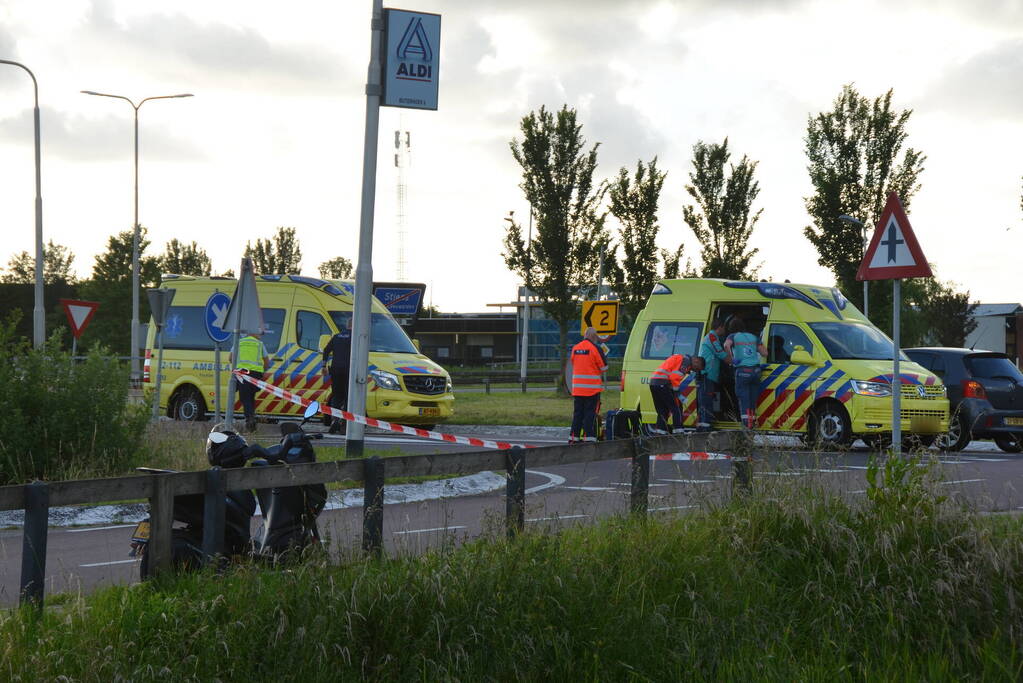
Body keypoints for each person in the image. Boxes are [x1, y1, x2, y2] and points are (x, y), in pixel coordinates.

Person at [724, 317, 768, 429]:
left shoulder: (733, 336)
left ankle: (745, 428)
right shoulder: (753, 337)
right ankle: (752, 425)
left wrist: (731, 358)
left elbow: (726, 345)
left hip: (743, 371)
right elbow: (765, 353)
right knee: (752, 401)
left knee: (744, 400)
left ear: (732, 328)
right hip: (756, 371)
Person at [649, 353, 705, 433]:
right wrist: (678, 394)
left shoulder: (681, 359)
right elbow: (674, 377)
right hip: (663, 383)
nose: (695, 370)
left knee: (662, 410)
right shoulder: (686, 362)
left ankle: (660, 432)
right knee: (677, 408)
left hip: (654, 383)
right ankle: (679, 431)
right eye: (697, 368)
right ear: (696, 361)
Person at [569, 327, 607, 443]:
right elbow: (604, 368)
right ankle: (589, 438)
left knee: (578, 413)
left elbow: (573, 362)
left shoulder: (575, 348)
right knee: (590, 413)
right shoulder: (596, 348)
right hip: (592, 390)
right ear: (594, 337)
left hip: (577, 389)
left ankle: (574, 437)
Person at [696, 318, 730, 432]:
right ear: (719, 327)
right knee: (706, 401)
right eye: (724, 328)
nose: (725, 330)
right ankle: (705, 428)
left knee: (707, 400)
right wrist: (733, 361)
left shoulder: (713, 337)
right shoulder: (712, 337)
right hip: (707, 374)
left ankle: (704, 425)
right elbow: (719, 353)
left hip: (709, 375)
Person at [233, 331, 269, 432]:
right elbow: (267, 361)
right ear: (253, 333)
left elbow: (231, 358)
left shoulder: (239, 342)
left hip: (243, 373)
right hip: (256, 375)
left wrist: (238, 364)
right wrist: (263, 371)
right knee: (250, 396)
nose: (260, 335)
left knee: (245, 397)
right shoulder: (259, 344)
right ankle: (251, 420)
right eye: (259, 333)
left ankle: (250, 420)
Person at [322, 317, 353, 434]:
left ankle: (335, 419)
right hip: (349, 370)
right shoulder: (355, 338)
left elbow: (325, 350)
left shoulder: (336, 337)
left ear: (347, 325)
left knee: (336, 396)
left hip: (335, 370)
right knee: (348, 397)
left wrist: (323, 366)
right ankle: (343, 423)